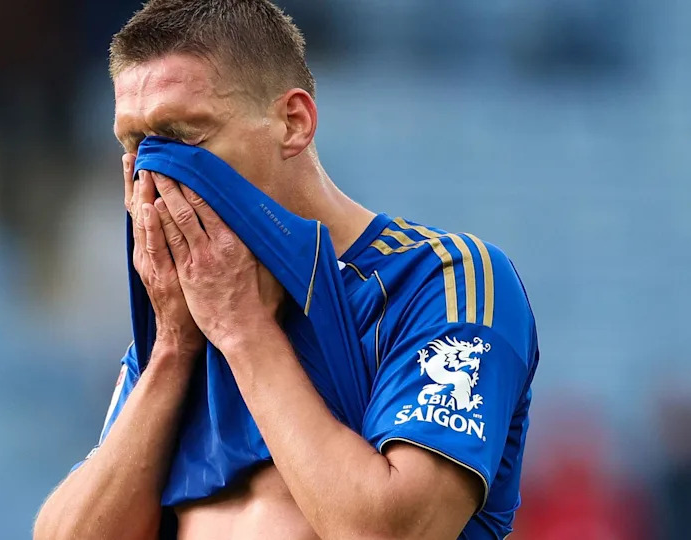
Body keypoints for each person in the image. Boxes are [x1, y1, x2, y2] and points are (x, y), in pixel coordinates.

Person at [34, 1, 538, 539]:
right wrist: (172, 350)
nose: (156, 174)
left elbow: (387, 533)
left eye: (186, 137)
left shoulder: (438, 281)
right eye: (135, 144)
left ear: (293, 123)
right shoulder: (177, 321)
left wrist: (243, 330)